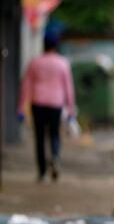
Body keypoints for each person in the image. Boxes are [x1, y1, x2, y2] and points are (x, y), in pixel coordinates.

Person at [17, 32, 76, 182]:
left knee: (40, 136)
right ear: (56, 46)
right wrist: (70, 109)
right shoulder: (63, 63)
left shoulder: (35, 62)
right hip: (56, 103)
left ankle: (42, 171)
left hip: (38, 102)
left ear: (43, 45)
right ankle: (55, 156)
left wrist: (21, 108)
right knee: (54, 133)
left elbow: (26, 86)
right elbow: (68, 88)